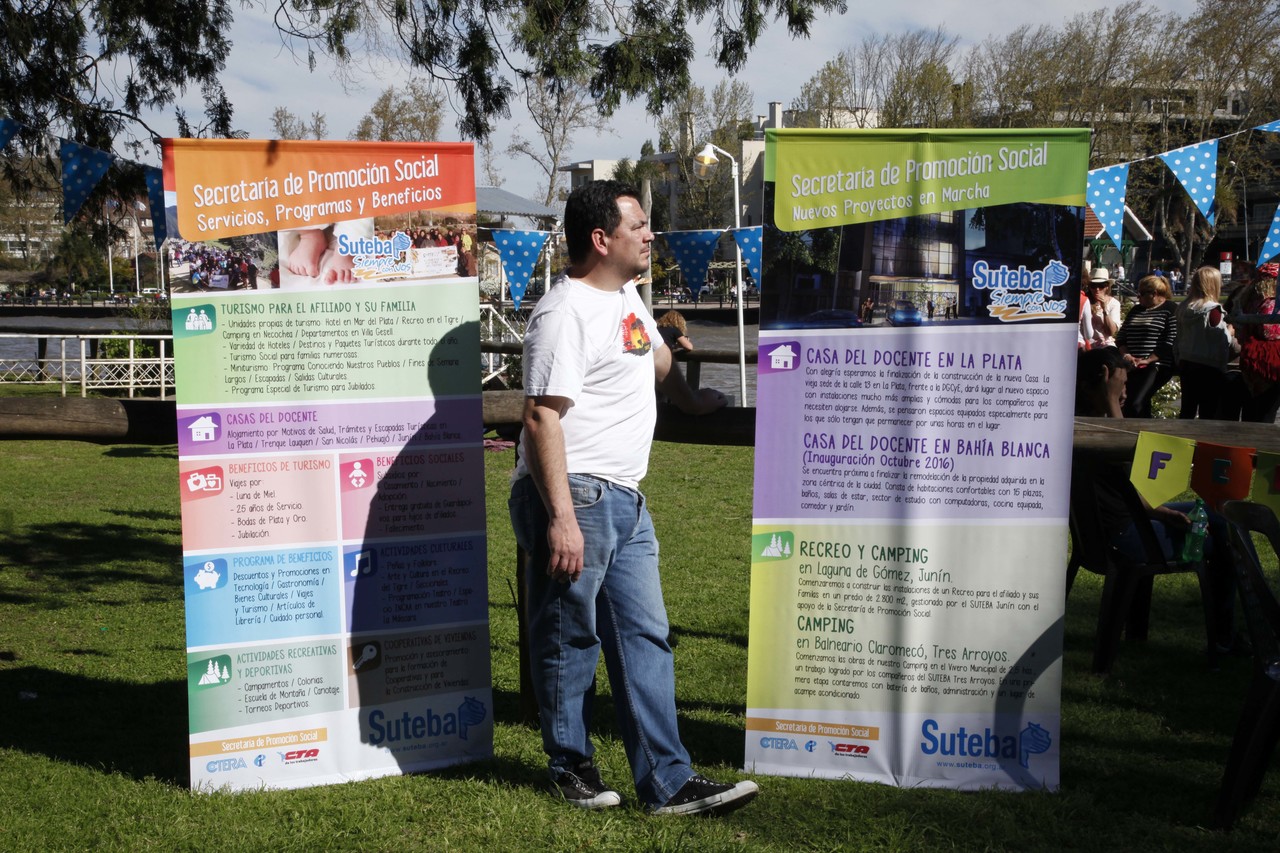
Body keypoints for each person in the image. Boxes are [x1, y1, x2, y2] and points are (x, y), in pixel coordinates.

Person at [508, 180, 759, 816]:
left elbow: (657, 361)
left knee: (645, 638)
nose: (651, 235)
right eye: (639, 225)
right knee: (569, 640)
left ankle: (668, 783)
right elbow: (540, 417)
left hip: (625, 498)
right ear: (601, 239)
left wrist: (694, 402)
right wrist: (561, 518)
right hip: (576, 495)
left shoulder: (625, 299)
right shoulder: (564, 313)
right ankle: (572, 770)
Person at [1074, 347, 1239, 654]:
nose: (1124, 394)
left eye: (1124, 387)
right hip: (1124, 536)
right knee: (1225, 537)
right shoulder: (1094, 433)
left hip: (1120, 527)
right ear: (1090, 387)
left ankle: (1223, 634)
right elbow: (1130, 473)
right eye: (1117, 387)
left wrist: (1161, 512)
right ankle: (1227, 636)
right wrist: (1112, 402)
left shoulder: (1084, 425)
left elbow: (1127, 492)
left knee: (1220, 516)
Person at [1174, 266, 1237, 419]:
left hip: (1186, 360)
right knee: (1208, 410)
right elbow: (1220, 339)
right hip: (1209, 364)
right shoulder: (1213, 310)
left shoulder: (1183, 307)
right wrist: (1230, 331)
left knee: (1187, 408)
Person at [1115, 274, 1177, 417]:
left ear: (1154, 294)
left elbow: (1171, 339)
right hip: (1133, 364)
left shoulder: (1170, 309)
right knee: (1129, 403)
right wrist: (1126, 354)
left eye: (1141, 293)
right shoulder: (1136, 310)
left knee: (1138, 403)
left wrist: (1149, 359)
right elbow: (1121, 336)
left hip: (1156, 365)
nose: (1138, 297)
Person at [1235, 262, 1280, 422]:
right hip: (1268, 362)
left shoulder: (1248, 299)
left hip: (1250, 358)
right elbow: (1268, 331)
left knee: (1252, 409)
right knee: (1267, 410)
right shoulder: (1271, 303)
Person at [1086, 267, 1121, 348]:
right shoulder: (1084, 301)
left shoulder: (1114, 303)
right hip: (1086, 345)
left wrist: (1105, 309)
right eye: (1093, 286)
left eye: (1101, 286)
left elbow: (1111, 332)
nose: (1097, 289)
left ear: (1107, 287)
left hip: (1105, 345)